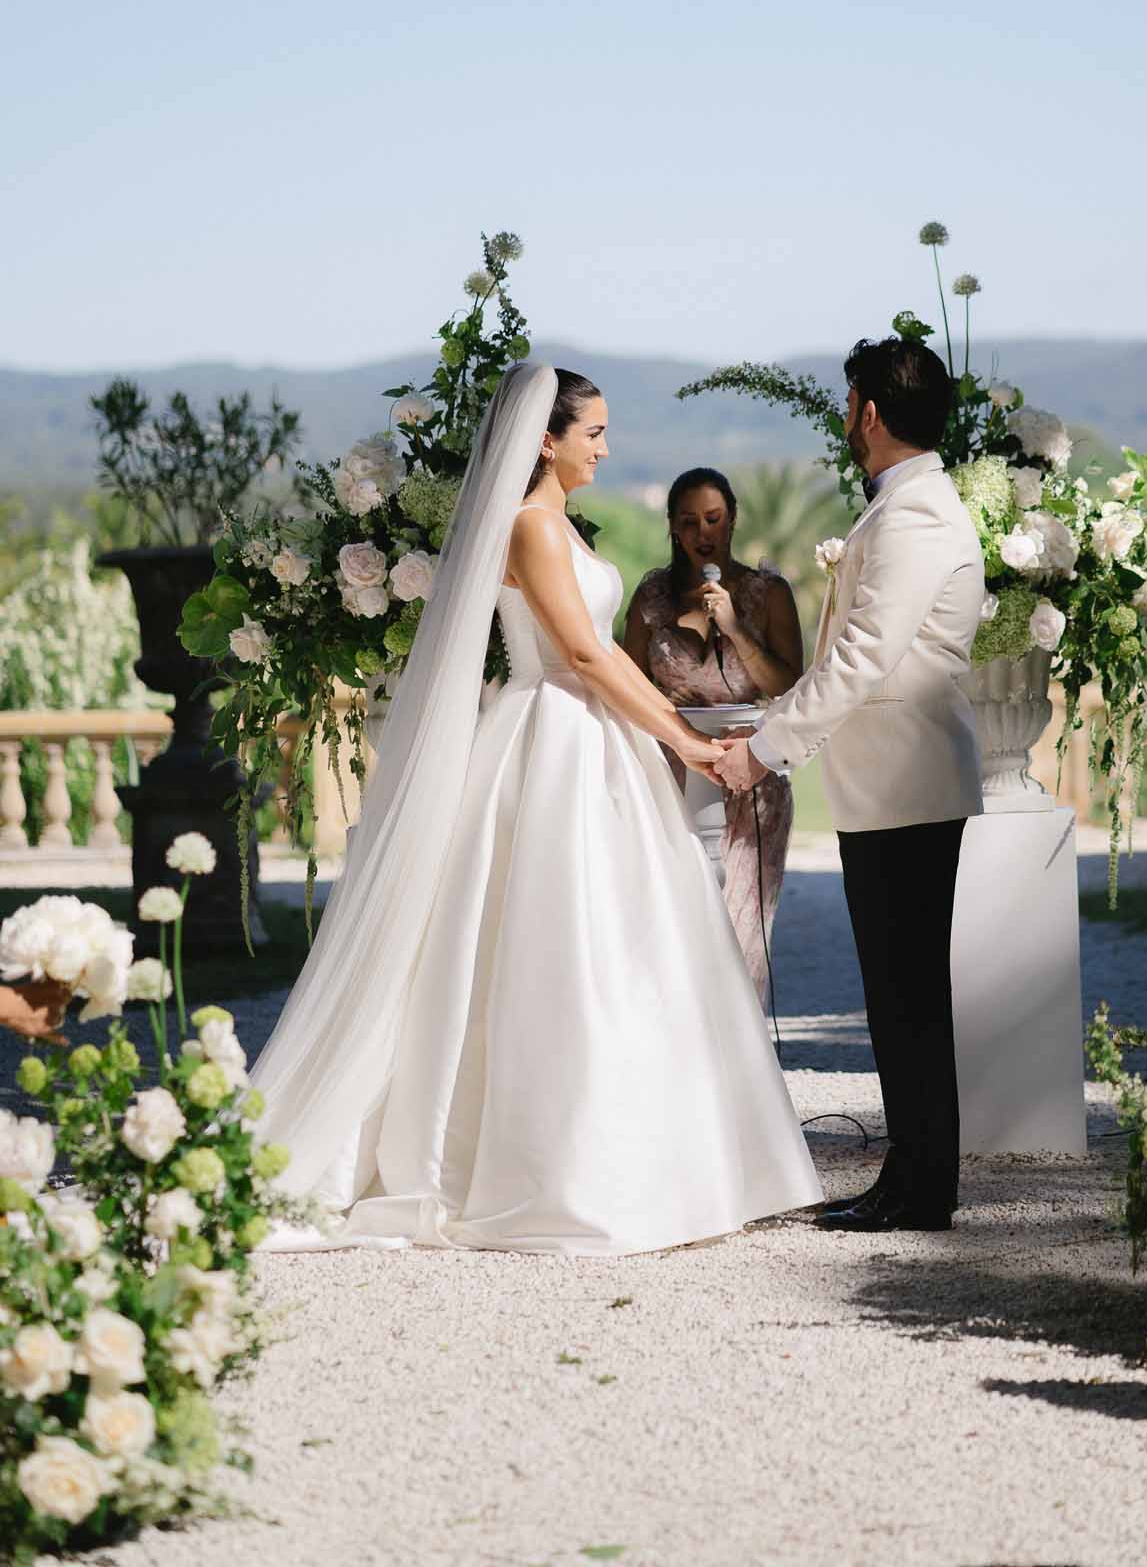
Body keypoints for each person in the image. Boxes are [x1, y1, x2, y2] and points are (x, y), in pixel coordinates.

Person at [251, 362, 821, 1255]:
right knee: (559, 943)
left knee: (628, 939)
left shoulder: (557, 526)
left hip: (592, 738)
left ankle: (669, 1160)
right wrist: (683, 739)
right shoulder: (531, 527)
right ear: (545, 438)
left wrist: (671, 730)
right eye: (592, 432)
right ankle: (559, 1167)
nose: (604, 446)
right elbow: (586, 659)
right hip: (553, 733)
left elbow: (606, 658)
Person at [717, 336, 984, 1233]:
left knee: (907, 992)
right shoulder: (907, 504)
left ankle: (921, 1190)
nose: (845, 417)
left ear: (868, 412)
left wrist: (765, 747)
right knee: (897, 991)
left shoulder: (914, 515)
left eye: (847, 402)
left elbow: (862, 657)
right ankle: (908, 1179)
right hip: (894, 783)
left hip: (907, 782)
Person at [623, 469, 803, 1001]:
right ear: (673, 529)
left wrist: (736, 630)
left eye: (713, 519)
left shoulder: (767, 593)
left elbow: (790, 685)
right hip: (671, 777)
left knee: (742, 926)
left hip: (750, 774)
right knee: (671, 920)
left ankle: (740, 1059)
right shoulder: (651, 596)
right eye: (689, 522)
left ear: (732, 519)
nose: (703, 532)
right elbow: (628, 681)